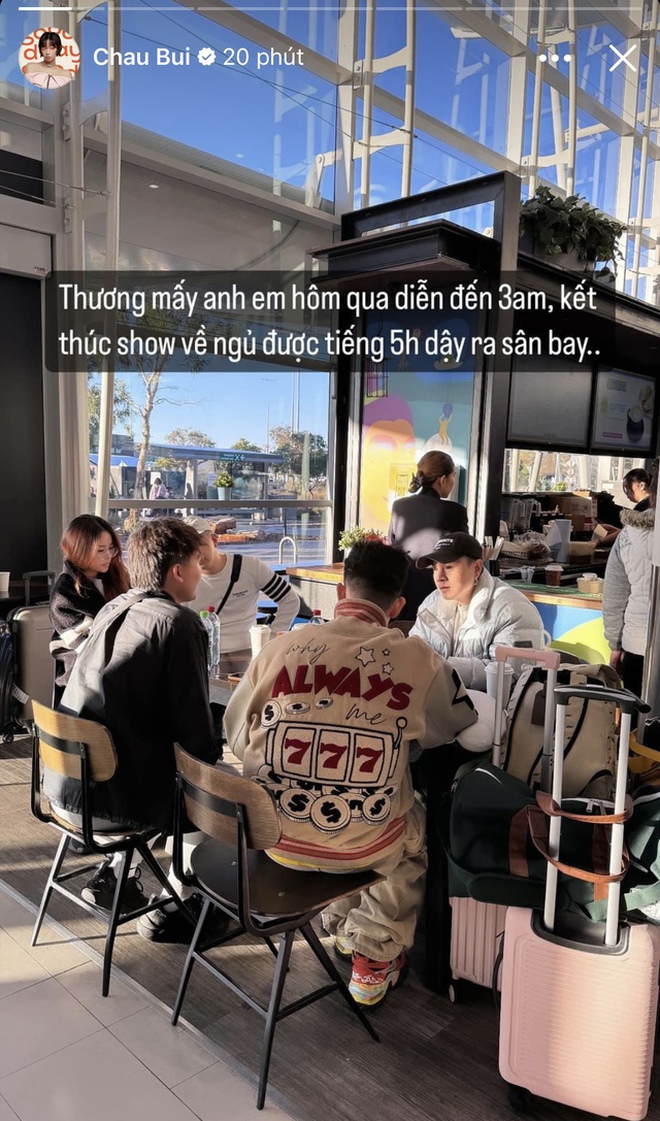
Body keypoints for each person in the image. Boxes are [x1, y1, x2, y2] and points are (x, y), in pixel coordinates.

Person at [224, 541, 478, 1007]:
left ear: (342, 591)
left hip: (273, 838)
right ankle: (372, 957)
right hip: (361, 845)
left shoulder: (280, 648)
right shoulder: (419, 658)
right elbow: (452, 725)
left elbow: (238, 736)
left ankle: (340, 923)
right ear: (397, 606)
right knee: (410, 830)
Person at [48, 518, 220, 938]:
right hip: (108, 804)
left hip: (64, 786)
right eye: (197, 564)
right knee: (212, 791)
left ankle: (117, 877)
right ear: (177, 571)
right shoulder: (179, 623)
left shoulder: (114, 607)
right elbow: (195, 737)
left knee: (169, 770)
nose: (201, 573)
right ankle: (174, 909)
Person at [410, 532, 545, 690]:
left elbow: (511, 673)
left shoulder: (511, 608)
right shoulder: (431, 604)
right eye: (435, 568)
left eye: (448, 567)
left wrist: (440, 668)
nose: (440, 577)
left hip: (493, 704)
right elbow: (414, 655)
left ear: (476, 568)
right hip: (441, 700)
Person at [183, 516, 300, 650]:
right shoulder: (181, 578)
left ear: (214, 540)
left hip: (247, 652)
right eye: (187, 547)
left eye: (200, 544)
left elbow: (290, 600)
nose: (195, 553)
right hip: (201, 655)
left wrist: (271, 638)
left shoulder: (249, 567)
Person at [49, 515, 130, 706]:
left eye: (111, 548)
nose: (109, 555)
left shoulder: (117, 578)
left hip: (114, 679)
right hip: (82, 689)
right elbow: (91, 649)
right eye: (101, 550)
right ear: (79, 550)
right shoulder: (64, 595)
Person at [388, 451, 469, 619]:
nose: (453, 481)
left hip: (400, 594)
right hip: (437, 595)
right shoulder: (455, 511)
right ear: (442, 479)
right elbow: (463, 553)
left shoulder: (399, 506)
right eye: (453, 476)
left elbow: (392, 545)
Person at [603, 462, 657, 697]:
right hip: (639, 642)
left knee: (636, 714)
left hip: (637, 644)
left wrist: (615, 644)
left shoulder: (627, 535)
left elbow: (615, 594)